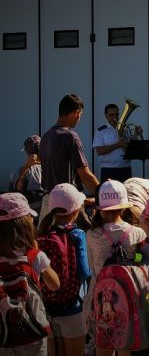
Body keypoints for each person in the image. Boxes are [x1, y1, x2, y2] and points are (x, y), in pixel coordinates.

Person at [86, 180, 148, 356]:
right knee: (125, 344)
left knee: (104, 344)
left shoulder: (92, 235)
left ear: (100, 208)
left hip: (100, 299)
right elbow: (142, 263)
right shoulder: (137, 233)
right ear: (123, 207)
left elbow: (92, 267)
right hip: (129, 299)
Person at [0, 192, 60, 356]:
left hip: (3, 334)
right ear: (24, 224)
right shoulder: (34, 255)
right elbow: (55, 285)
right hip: (33, 332)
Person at [37, 183, 91, 356]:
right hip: (72, 306)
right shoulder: (77, 234)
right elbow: (85, 271)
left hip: (47, 308)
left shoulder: (42, 233)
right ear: (76, 211)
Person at [40, 94, 99, 222]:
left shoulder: (45, 137)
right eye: (80, 114)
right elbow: (85, 175)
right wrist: (103, 193)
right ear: (76, 113)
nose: (79, 119)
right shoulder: (70, 137)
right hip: (66, 205)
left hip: (47, 202)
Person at [93, 104, 135, 182]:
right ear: (106, 115)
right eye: (111, 115)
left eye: (116, 114)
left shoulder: (126, 128)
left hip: (125, 168)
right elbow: (99, 151)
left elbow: (132, 150)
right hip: (109, 169)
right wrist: (117, 145)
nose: (114, 117)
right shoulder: (101, 131)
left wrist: (136, 134)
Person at [9, 135, 44, 212]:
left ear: (27, 152)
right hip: (46, 213)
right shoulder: (51, 167)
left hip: (26, 214)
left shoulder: (19, 171)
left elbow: (16, 189)